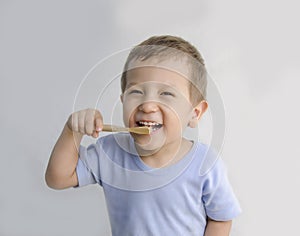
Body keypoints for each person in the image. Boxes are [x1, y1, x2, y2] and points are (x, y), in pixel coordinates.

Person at [45, 35, 241, 236]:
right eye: (136, 92)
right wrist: (73, 132)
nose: (147, 105)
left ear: (195, 113)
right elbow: (57, 179)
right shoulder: (110, 153)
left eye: (166, 94)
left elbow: (221, 218)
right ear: (122, 100)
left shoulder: (205, 164)